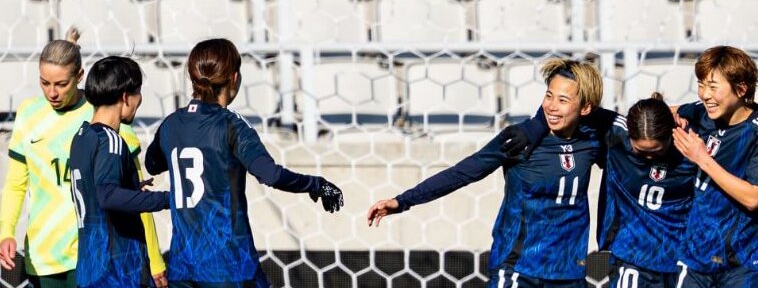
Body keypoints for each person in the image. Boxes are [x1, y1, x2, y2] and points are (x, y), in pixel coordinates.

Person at [368, 58, 606, 287]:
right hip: (518, 268)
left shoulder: (594, 141)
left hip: (568, 271)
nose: (551, 106)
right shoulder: (520, 140)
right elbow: (462, 173)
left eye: (563, 100)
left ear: (586, 108)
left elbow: (628, 141)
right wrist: (402, 201)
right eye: (548, 95)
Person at [144, 38, 344, 287]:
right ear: (234, 77)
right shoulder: (231, 125)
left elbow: (152, 165)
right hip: (231, 267)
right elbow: (270, 175)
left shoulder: (172, 123)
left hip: (183, 269)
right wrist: (317, 184)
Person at [0, 29, 168, 288]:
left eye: (61, 84)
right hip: (44, 255)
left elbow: (133, 194)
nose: (52, 93)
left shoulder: (105, 115)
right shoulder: (29, 114)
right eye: (44, 83)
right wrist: (6, 232)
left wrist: (155, 261)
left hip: (94, 254)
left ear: (79, 76)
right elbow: (15, 184)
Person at [69, 56, 170, 288]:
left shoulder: (82, 137)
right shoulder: (111, 141)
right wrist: (168, 199)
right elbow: (107, 195)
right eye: (138, 93)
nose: (139, 100)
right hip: (118, 270)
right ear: (126, 97)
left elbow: (94, 191)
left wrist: (130, 187)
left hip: (90, 268)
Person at [667, 46, 758, 286]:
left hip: (742, 263)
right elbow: (668, 112)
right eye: (701, 84)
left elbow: (753, 198)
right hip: (695, 257)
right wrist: (668, 118)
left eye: (713, 86)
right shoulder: (702, 114)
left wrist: (703, 159)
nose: (704, 94)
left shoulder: (755, 132)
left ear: (741, 89)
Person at [599, 94, 697, 288]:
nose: (650, 157)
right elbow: (576, 106)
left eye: (657, 151)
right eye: (641, 152)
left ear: (671, 133)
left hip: (679, 260)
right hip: (630, 256)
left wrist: (684, 110)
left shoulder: (692, 148)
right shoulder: (616, 138)